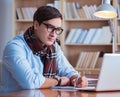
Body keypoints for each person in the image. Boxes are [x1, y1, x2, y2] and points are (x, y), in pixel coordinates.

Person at [0, 6, 88, 93]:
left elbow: (67, 70)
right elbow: (30, 83)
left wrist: (76, 79)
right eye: (50, 27)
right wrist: (58, 80)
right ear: (36, 25)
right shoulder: (14, 47)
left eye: (57, 29)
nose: (54, 34)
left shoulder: (53, 47)